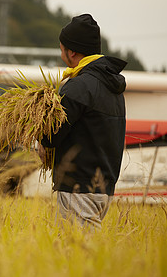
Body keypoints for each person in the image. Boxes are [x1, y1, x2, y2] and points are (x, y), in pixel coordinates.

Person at [40, 14, 127, 230]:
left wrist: (37, 123)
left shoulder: (79, 86)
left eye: (61, 49)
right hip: (103, 188)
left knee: (76, 256)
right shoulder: (111, 86)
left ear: (71, 51)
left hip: (78, 188)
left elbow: (52, 136)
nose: (62, 54)